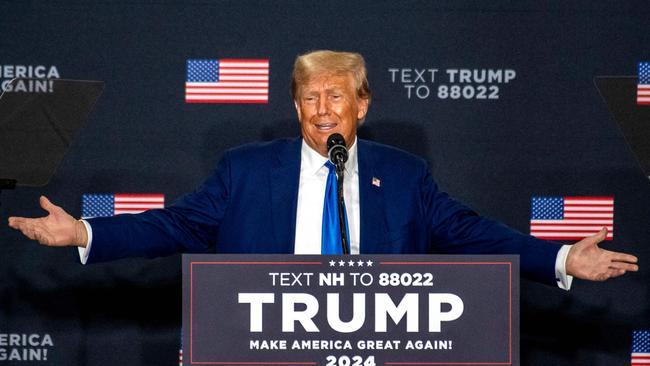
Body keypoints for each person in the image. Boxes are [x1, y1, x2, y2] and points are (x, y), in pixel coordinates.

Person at [7, 50, 638, 288]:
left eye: (336, 96)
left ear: (363, 104)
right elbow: (174, 226)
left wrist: (561, 258)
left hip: (378, 348)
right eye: (310, 98)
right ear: (295, 107)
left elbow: (474, 234)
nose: (322, 109)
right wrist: (86, 232)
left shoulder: (405, 174)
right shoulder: (247, 170)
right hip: (262, 345)